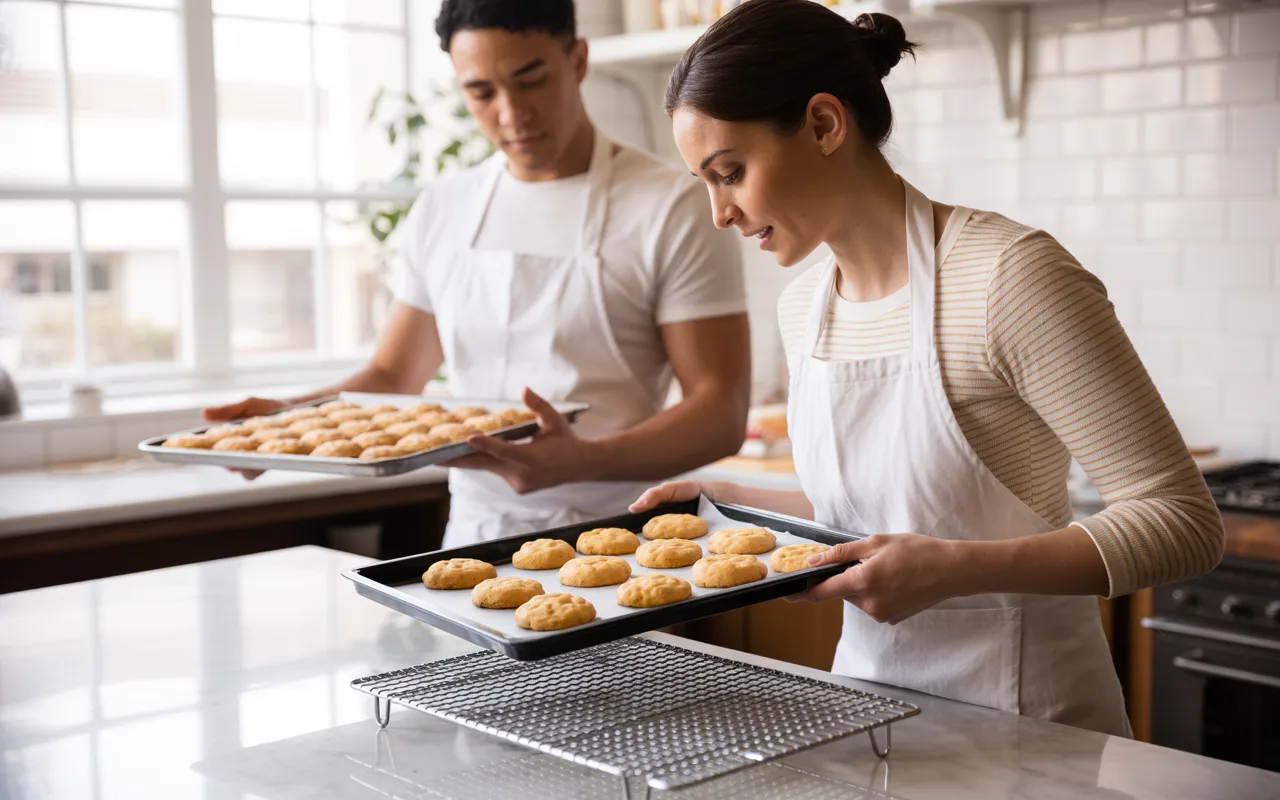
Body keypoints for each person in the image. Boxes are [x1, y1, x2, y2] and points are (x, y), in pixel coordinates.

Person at [632, 0, 1224, 736]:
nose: (719, 212)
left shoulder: (1009, 276)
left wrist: (955, 570)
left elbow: (1183, 523)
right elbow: (874, 519)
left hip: (1033, 727)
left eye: (730, 172)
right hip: (869, 718)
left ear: (823, 125)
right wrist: (728, 498)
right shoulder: (804, 307)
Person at [205, 0, 751, 546]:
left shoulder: (673, 205)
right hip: (474, 538)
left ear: (578, 60)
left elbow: (719, 410)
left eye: (530, 80)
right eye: (481, 92)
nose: (512, 114)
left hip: (625, 538)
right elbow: (395, 378)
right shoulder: (444, 207)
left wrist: (580, 460)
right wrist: (286, 422)